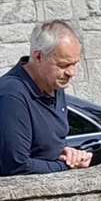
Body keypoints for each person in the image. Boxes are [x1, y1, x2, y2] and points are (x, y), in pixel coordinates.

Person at [0, 21, 93, 175]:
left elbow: (44, 146)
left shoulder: (54, 84)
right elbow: (15, 165)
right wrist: (67, 166)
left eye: (74, 64)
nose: (71, 72)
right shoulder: (12, 95)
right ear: (38, 57)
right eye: (63, 65)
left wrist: (68, 154)